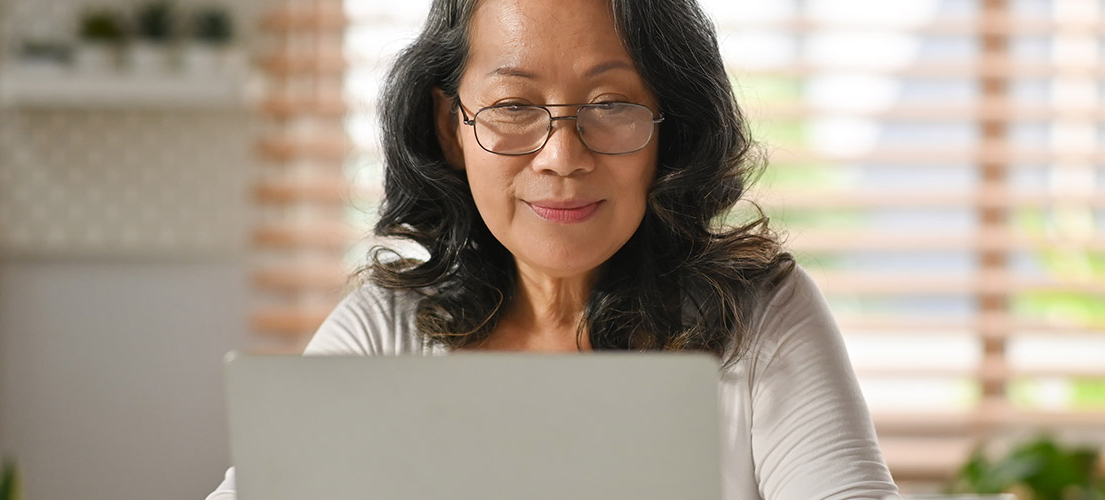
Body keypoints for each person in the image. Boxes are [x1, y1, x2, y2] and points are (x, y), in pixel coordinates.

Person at [206, 0, 899, 498]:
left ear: (669, 125)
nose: (563, 156)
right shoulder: (385, 328)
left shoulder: (762, 316)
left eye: (611, 103)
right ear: (452, 127)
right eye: (513, 106)